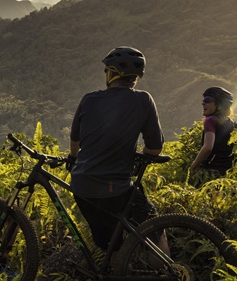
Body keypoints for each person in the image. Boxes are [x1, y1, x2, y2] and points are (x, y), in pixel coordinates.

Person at [67, 47, 164, 250]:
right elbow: (155, 148)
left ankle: (113, 275)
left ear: (111, 73)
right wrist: (138, 159)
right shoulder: (143, 100)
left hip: (82, 186)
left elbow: (74, 142)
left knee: (109, 243)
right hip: (116, 187)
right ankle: (169, 276)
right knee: (155, 230)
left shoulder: (88, 99)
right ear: (135, 78)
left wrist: (74, 159)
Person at [190, 86, 237, 183]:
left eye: (207, 100)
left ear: (220, 104)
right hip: (229, 176)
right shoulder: (234, 124)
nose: (203, 103)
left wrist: (193, 165)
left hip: (210, 175)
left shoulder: (210, 121)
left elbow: (208, 147)